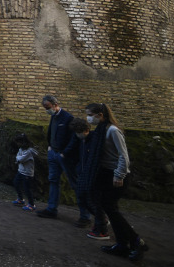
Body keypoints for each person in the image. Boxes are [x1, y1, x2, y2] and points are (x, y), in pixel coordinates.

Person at [84, 103, 148, 261]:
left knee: (111, 209)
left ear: (100, 115)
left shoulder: (113, 130)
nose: (88, 118)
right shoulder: (100, 130)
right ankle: (122, 244)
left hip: (117, 176)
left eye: (91, 114)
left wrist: (119, 175)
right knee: (108, 207)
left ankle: (136, 241)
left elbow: (123, 156)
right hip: (106, 174)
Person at [36, 95, 80, 221]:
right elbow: (52, 133)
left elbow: (74, 138)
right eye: (45, 108)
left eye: (48, 107)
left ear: (55, 105)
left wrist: (64, 153)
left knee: (74, 183)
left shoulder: (68, 118)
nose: (47, 110)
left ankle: (85, 215)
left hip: (63, 156)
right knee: (53, 181)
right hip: (53, 153)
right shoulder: (53, 117)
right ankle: (51, 209)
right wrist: (50, 146)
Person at [69, 118, 111, 240]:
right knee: (83, 198)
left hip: (91, 175)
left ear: (86, 130)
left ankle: (102, 226)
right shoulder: (83, 140)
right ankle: (101, 220)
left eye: (78, 132)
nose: (77, 135)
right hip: (83, 173)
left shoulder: (94, 140)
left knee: (92, 201)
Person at [11, 133, 37, 212]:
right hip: (20, 171)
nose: (17, 144)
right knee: (16, 183)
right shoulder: (21, 149)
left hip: (27, 173)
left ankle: (31, 204)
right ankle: (20, 198)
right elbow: (18, 157)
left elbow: (20, 159)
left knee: (27, 189)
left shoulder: (29, 151)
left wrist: (18, 159)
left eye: (18, 142)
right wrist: (18, 158)